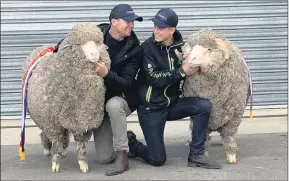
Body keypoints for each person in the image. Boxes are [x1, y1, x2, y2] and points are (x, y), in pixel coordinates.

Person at [127, 8, 222, 169]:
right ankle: (132, 143)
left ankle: (196, 154)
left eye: (161, 28)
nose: (156, 31)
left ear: (172, 30)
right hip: (151, 108)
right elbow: (153, 78)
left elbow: (202, 61)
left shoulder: (182, 47)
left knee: (203, 106)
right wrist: (181, 71)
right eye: (155, 26)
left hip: (172, 104)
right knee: (157, 159)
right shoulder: (147, 48)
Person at [92, 4, 143, 176]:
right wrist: (56, 50)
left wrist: (106, 75)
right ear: (114, 22)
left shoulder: (135, 48)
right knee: (103, 159)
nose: (132, 25)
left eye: (133, 21)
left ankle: (123, 155)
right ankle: (128, 138)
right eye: (128, 21)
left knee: (113, 105)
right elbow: (72, 41)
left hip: (123, 97)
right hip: (101, 102)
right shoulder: (96, 34)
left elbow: (127, 82)